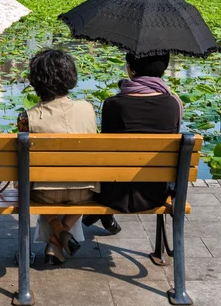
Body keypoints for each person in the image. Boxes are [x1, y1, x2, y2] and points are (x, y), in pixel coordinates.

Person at [82, 53, 183, 233]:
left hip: (114, 194)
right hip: (155, 194)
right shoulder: (173, 105)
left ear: (131, 69)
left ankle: (101, 215)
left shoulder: (112, 104)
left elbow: (107, 153)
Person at [17, 49, 98, 265]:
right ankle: (59, 238)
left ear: (36, 81)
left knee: (32, 185)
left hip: (42, 194)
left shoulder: (27, 117)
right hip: (84, 192)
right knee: (78, 186)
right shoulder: (88, 109)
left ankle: (58, 233)